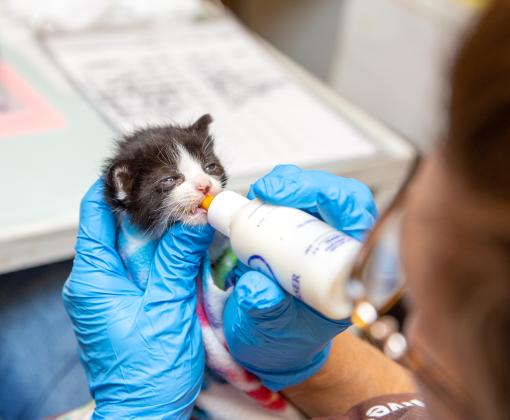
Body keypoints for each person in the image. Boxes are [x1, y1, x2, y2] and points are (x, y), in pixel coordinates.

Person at [63, 2, 510, 419]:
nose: (426, 166)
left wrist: (138, 411)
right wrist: (308, 365)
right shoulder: (465, 375)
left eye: (446, 140)